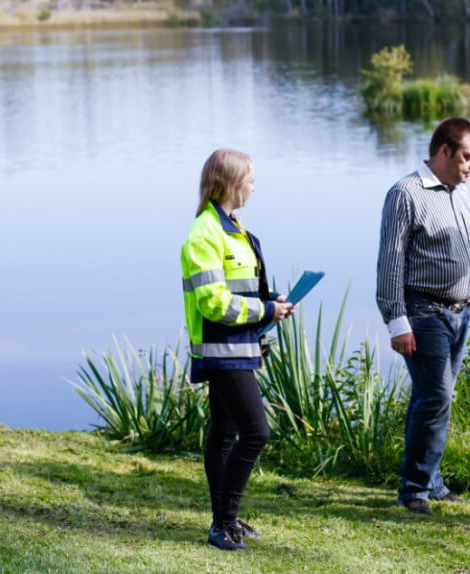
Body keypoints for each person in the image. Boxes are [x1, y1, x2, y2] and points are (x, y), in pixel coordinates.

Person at [181, 149, 295, 551]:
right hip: (221, 350)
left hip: (240, 346)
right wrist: (266, 309)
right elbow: (214, 303)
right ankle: (221, 525)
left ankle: (224, 520)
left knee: (225, 434)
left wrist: (274, 300)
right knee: (256, 433)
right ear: (231, 183)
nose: (254, 186)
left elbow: (240, 288)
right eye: (250, 179)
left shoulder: (233, 228)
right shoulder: (204, 234)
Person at [376, 117, 470, 515]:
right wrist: (397, 322)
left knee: (432, 398)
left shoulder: (462, 194)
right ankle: (414, 490)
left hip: (459, 314)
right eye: (468, 157)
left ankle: (430, 481)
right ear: (444, 151)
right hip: (422, 312)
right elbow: (390, 262)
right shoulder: (406, 193)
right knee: (436, 396)